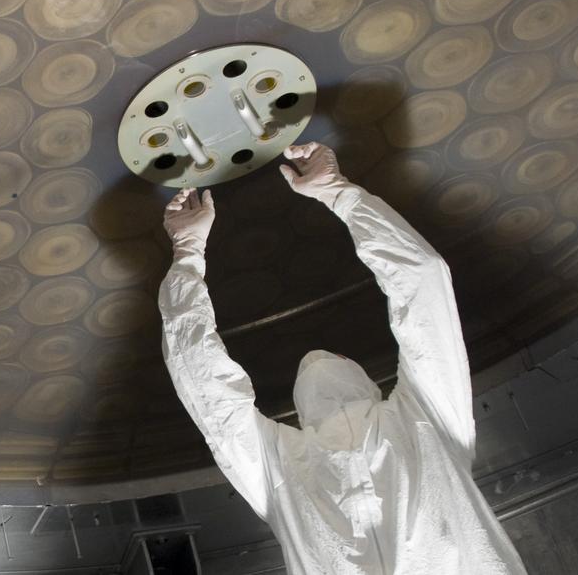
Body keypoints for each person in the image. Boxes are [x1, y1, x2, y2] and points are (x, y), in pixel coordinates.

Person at [159, 142, 527, 574]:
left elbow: (203, 384)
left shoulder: (275, 470)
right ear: (366, 381)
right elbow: (423, 286)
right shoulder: (431, 422)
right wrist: (337, 192)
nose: (316, 360)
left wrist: (188, 255)